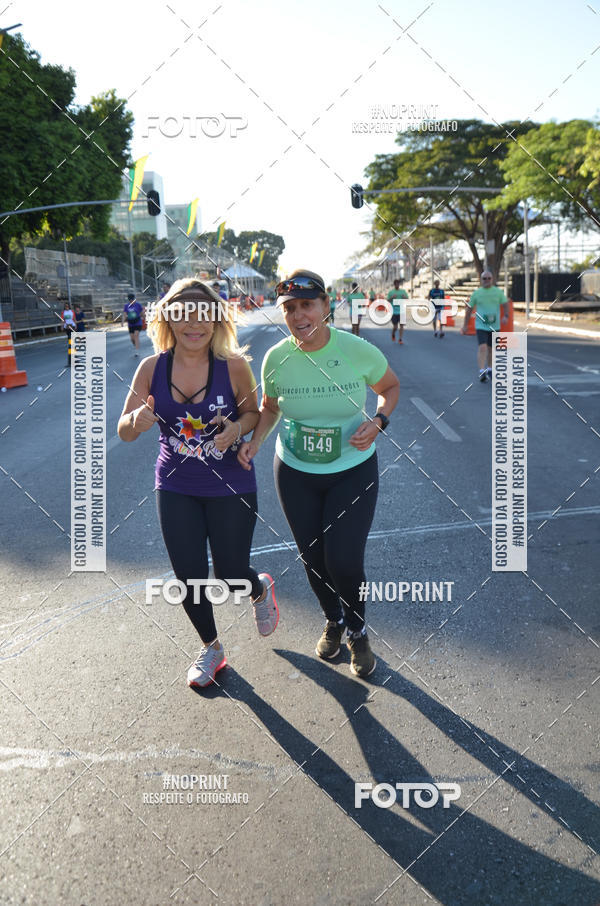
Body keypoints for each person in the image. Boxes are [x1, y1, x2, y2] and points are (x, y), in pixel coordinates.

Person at [117, 278, 278, 688]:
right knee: (188, 575)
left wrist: (235, 430)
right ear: (168, 318)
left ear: (216, 320)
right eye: (183, 314)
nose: (194, 323)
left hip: (231, 485)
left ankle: (257, 588)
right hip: (174, 486)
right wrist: (135, 422)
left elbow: (254, 415)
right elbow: (124, 429)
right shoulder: (152, 368)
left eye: (203, 315)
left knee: (230, 574)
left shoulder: (234, 367)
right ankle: (212, 648)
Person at [239, 269, 400, 678]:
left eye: (307, 305)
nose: (298, 315)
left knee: (343, 559)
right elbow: (271, 406)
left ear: (326, 306)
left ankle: (358, 631)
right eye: (290, 308)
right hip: (295, 471)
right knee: (313, 558)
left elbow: (391, 387)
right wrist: (255, 440)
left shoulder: (355, 349)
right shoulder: (277, 358)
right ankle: (334, 618)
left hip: (352, 468)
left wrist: (379, 420)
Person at [461, 270, 508, 382]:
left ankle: (490, 369)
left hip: (494, 326)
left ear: (492, 279)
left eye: (489, 278)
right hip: (481, 325)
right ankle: (482, 370)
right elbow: (469, 309)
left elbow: (505, 304)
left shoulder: (498, 292)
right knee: (482, 347)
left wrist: (506, 316)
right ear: (481, 280)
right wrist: (465, 325)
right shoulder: (477, 293)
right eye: (484, 278)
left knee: (491, 349)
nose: (487, 280)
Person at [122, 292, 144, 357]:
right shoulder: (126, 306)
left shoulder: (138, 305)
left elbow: (142, 312)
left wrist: (144, 317)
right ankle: (136, 345)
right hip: (130, 323)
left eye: (132, 299)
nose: (131, 301)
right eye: (130, 300)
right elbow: (125, 314)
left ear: (134, 299)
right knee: (132, 339)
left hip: (138, 322)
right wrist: (123, 321)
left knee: (136, 335)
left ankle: (137, 351)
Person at [387, 279, 408, 343]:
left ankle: (400, 339)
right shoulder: (391, 292)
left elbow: (407, 299)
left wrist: (404, 297)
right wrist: (392, 297)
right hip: (394, 312)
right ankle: (393, 333)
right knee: (395, 327)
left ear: (399, 284)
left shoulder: (403, 291)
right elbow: (388, 300)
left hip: (402, 311)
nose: (397, 285)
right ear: (394, 284)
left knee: (401, 325)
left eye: (398, 284)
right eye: (396, 284)